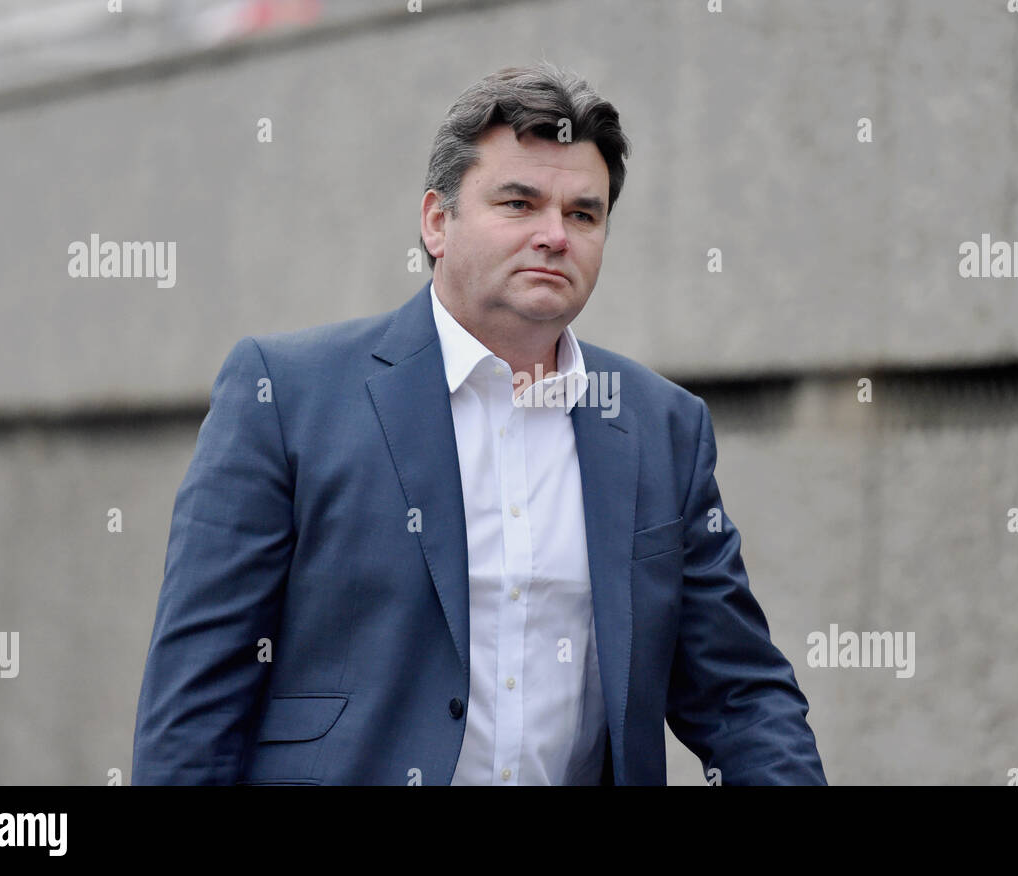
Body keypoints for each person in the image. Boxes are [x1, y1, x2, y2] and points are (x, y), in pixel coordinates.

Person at [132, 61, 825, 786]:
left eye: (583, 214)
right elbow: (196, 703)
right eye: (519, 204)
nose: (555, 236)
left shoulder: (663, 427)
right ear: (437, 222)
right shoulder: (286, 396)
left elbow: (741, 695)